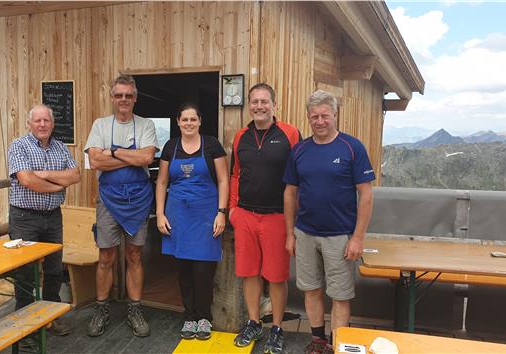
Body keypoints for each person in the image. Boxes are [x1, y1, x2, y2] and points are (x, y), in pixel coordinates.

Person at [283, 90, 375, 354]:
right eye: (314, 117)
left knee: (340, 295)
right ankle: (318, 341)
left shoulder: (351, 147)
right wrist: (290, 234)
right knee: (310, 290)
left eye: (325, 116)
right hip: (306, 233)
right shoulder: (299, 150)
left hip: (340, 236)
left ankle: (338, 344)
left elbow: (366, 193)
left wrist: (357, 237)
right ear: (308, 118)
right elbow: (290, 192)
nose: (320, 121)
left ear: (335, 115)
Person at [84, 74, 158, 338]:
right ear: (112, 98)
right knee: (106, 257)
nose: (124, 100)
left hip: (139, 199)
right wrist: (132, 158)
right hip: (108, 199)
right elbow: (95, 162)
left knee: (135, 256)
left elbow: (148, 157)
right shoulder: (100, 125)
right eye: (119, 95)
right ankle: (101, 309)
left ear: (135, 98)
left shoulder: (146, 124)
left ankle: (134, 309)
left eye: (129, 95)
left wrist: (112, 152)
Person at [230, 83, 302, 354]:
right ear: (249, 105)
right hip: (246, 214)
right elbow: (235, 174)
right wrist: (233, 210)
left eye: (264, 101)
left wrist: (294, 219)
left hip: (277, 217)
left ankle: (277, 328)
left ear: (274, 104)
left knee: (276, 276)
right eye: (255, 101)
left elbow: (298, 178)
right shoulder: (240, 136)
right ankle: (253, 322)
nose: (259, 106)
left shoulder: (290, 133)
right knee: (248, 273)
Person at [155, 103, 229, 340]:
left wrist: (221, 212)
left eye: (192, 119)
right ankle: (189, 317)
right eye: (184, 119)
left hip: (206, 216)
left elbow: (223, 180)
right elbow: (162, 182)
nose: (188, 123)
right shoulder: (170, 147)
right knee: (184, 271)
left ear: (200, 121)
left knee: (203, 271)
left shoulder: (212, 145)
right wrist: (159, 213)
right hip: (178, 216)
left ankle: (204, 317)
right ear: (178, 122)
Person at [7, 104, 81, 336]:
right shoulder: (18, 146)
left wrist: (45, 175)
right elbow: (27, 180)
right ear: (29, 123)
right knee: (25, 272)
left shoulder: (60, 147)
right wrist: (58, 185)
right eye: (37, 121)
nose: (42, 125)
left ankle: (51, 317)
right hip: (24, 218)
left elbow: (76, 175)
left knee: (53, 269)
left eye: (46, 121)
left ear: (52, 123)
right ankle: (27, 324)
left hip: (52, 217)